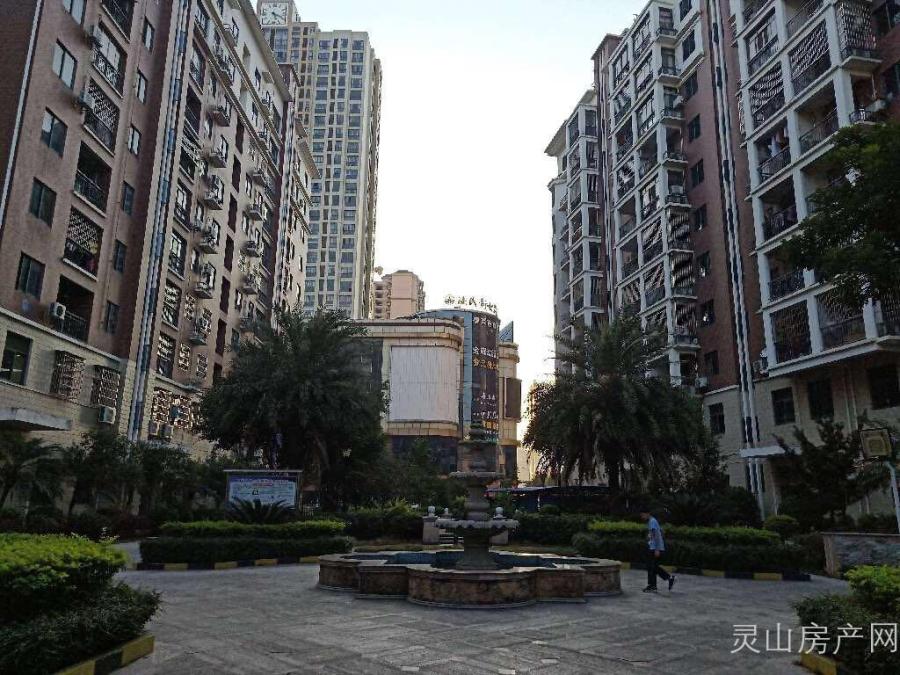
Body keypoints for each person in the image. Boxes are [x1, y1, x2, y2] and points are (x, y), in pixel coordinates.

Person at [640, 510, 675, 593]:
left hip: (654, 548)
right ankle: (655, 585)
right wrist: (649, 537)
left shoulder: (652, 521)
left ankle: (654, 585)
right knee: (652, 567)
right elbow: (660, 533)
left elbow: (656, 535)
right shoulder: (652, 521)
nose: (642, 517)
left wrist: (657, 549)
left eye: (643, 515)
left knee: (652, 567)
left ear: (647, 513)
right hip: (653, 547)